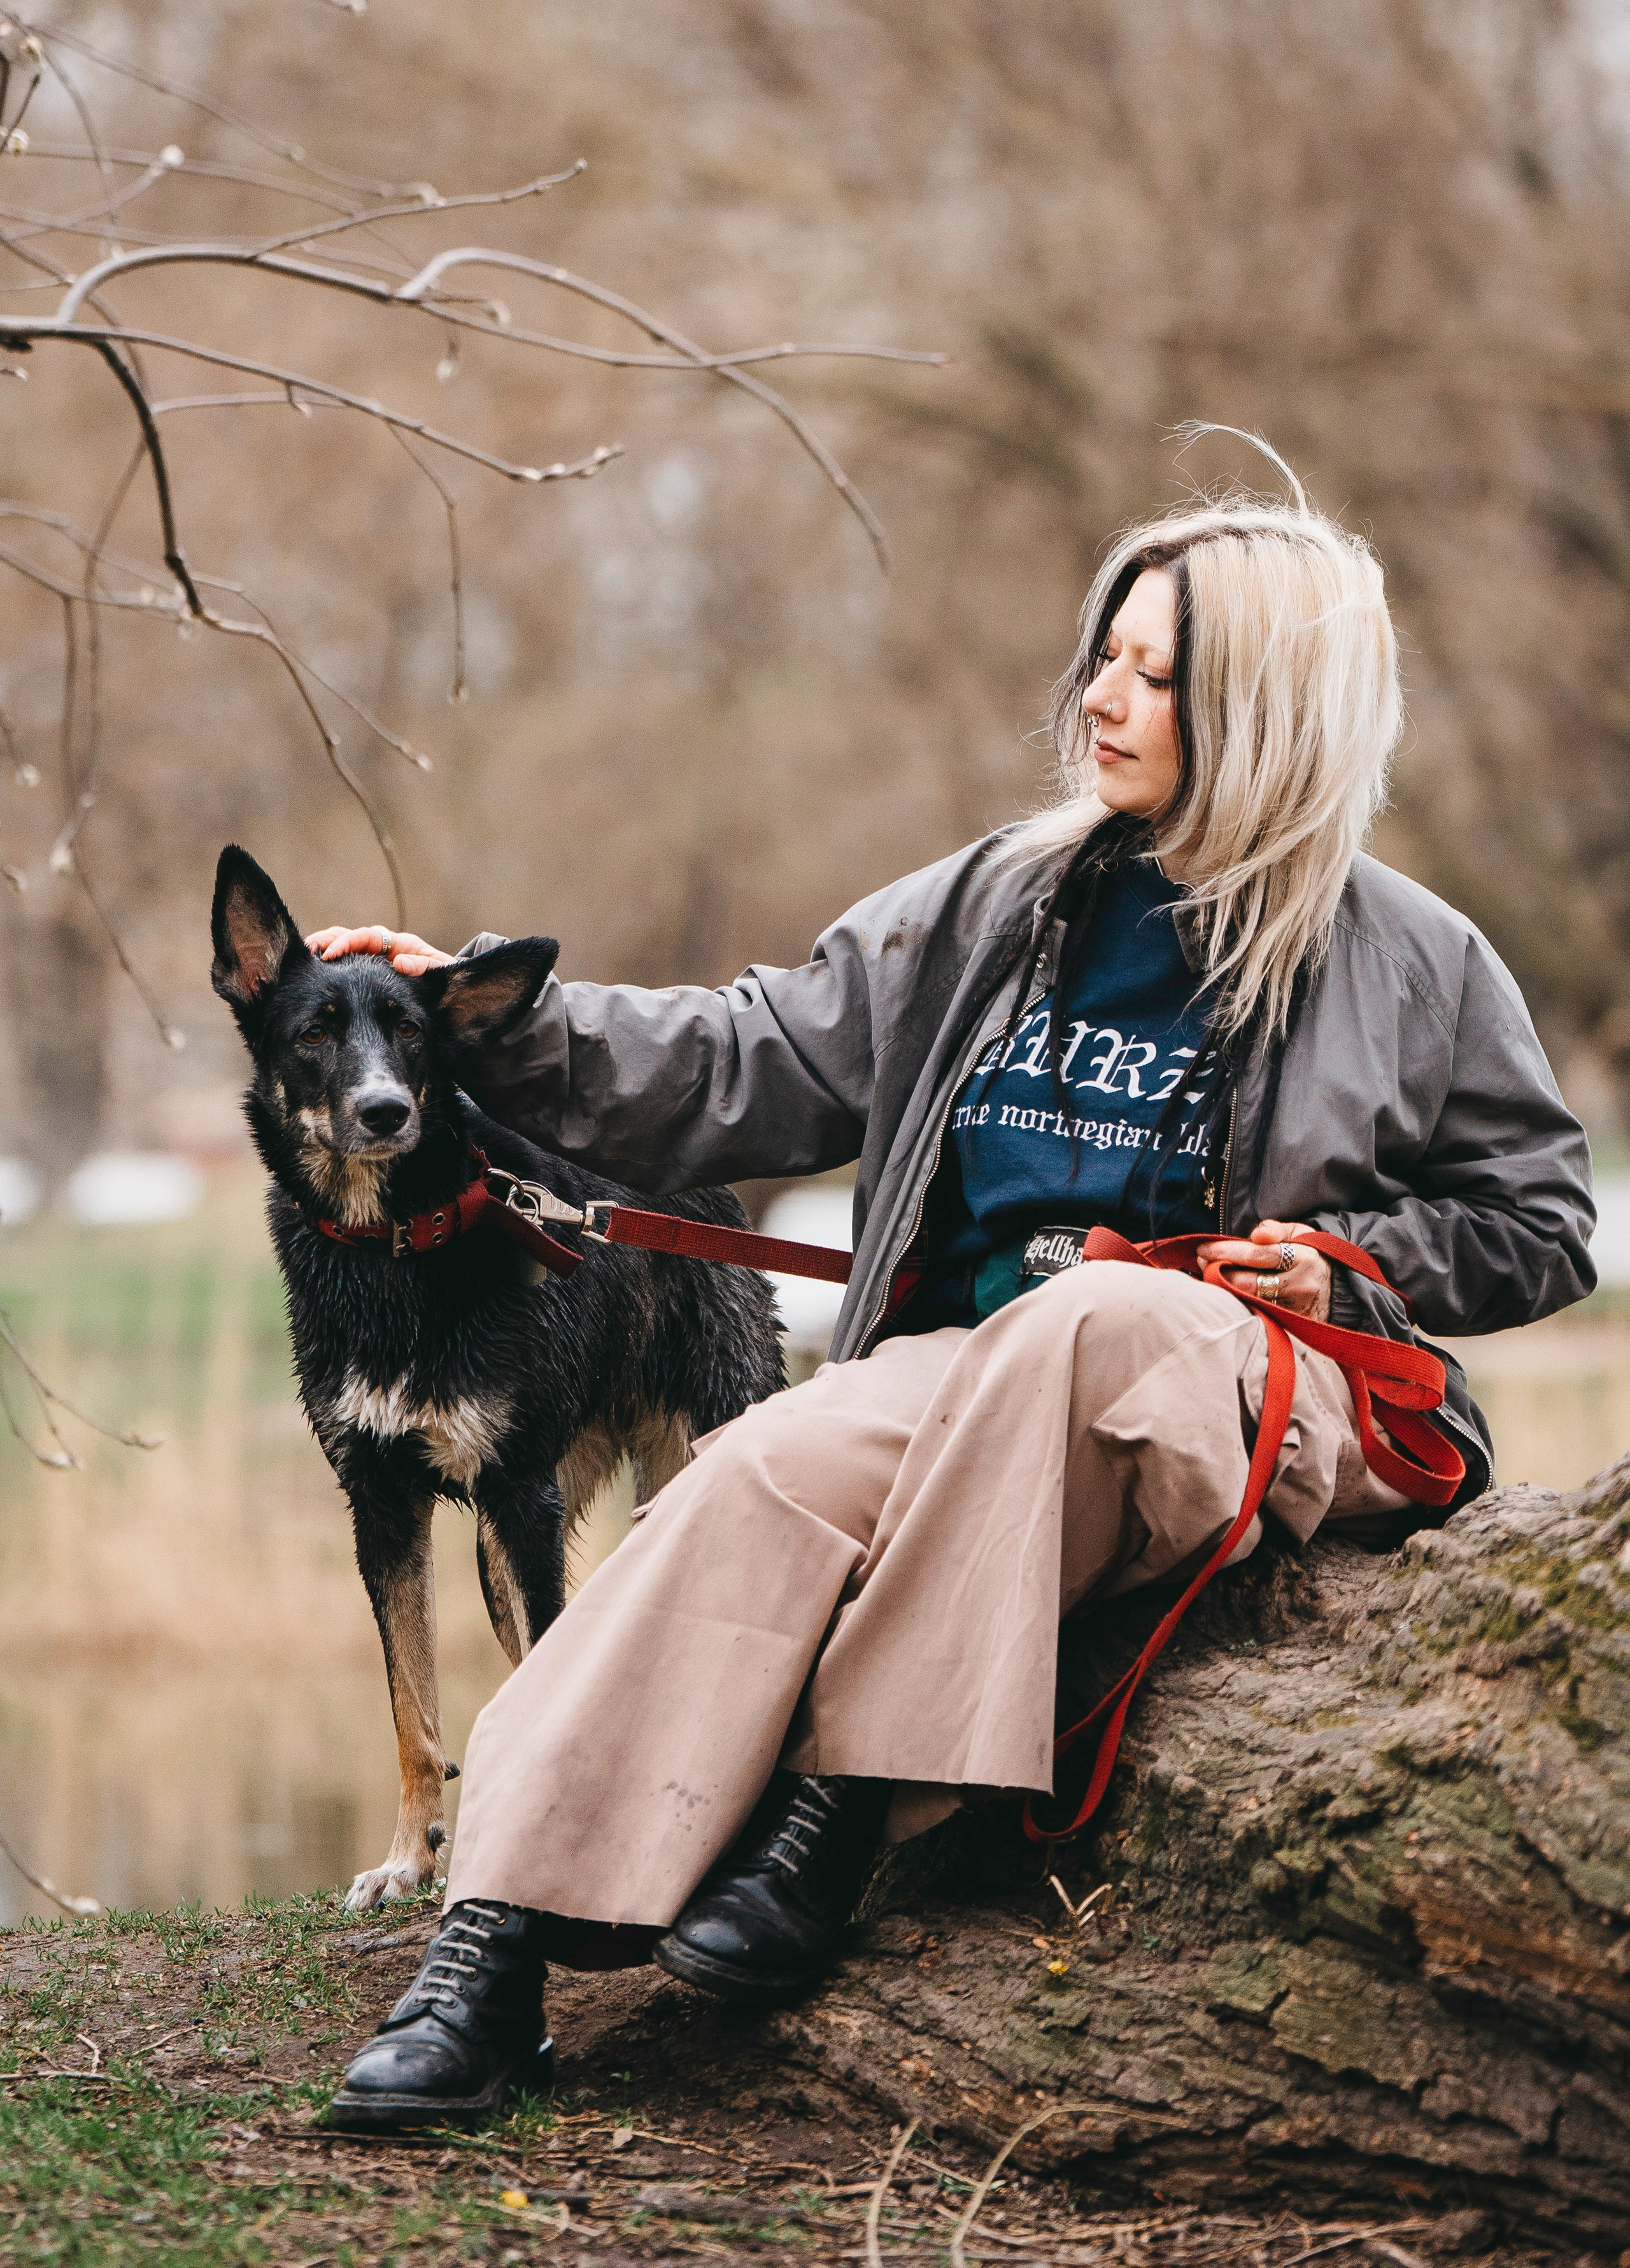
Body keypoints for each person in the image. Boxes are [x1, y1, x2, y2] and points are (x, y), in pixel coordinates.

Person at [311, 441, 1594, 2129]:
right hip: (976, 1388)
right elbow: (752, 1052)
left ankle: (845, 1805)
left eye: (1162, 674)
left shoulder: (1409, 957)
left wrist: (1363, 1268)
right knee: (768, 1462)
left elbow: (1542, 1216)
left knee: (1089, 1318)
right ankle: (497, 1947)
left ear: (1273, 710)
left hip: (1238, 1387)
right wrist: (505, 1024)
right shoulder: (1003, 904)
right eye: (1106, 657)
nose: (1105, 699)